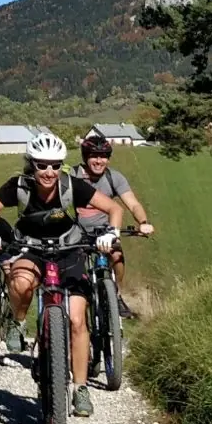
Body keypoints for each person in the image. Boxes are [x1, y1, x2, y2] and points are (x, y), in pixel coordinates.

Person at [0, 131, 125, 419]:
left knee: (78, 320)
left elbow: (113, 208)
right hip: (29, 248)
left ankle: (80, 389)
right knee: (20, 282)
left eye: (55, 165)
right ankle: (17, 322)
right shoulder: (18, 186)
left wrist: (111, 233)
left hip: (69, 250)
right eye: (42, 165)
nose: (49, 172)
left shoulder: (72, 185)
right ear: (32, 164)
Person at [71, 133, 155, 318]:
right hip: (77, 232)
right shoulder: (72, 176)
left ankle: (115, 293)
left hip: (106, 232)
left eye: (103, 157)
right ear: (85, 157)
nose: (99, 161)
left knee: (116, 254)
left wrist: (143, 222)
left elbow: (133, 204)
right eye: (94, 156)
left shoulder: (114, 178)